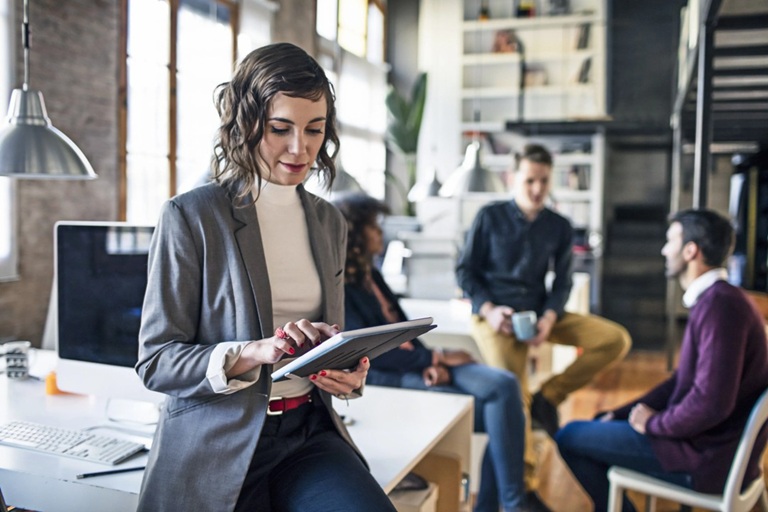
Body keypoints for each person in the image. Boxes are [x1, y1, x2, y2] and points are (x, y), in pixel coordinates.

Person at [134, 43, 396, 512]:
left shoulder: (329, 222)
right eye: (281, 129)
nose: (301, 148)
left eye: (315, 130)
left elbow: (333, 339)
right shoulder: (191, 216)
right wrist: (250, 353)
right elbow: (156, 362)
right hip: (220, 442)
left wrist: (349, 373)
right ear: (247, 124)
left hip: (309, 433)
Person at [333, 193, 551, 512]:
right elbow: (369, 350)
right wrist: (432, 360)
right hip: (392, 375)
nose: (380, 232)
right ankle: (511, 506)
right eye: (374, 226)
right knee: (506, 414)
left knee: (506, 388)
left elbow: (404, 332)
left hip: (421, 363)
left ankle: (504, 505)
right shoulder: (342, 285)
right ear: (354, 233)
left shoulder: (373, 275)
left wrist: (433, 358)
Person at [555, 208, 768, 512]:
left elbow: (711, 404)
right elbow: (682, 382)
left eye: (671, 241)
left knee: (569, 436)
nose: (664, 250)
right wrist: (620, 414)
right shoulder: (720, 300)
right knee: (593, 426)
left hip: (705, 459)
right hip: (707, 448)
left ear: (691, 251)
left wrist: (653, 423)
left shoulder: (721, 308)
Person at [455, 143, 632, 495]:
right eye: (530, 180)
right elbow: (465, 272)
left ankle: (549, 395)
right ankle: (525, 483)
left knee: (615, 340)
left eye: (544, 181)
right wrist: (490, 310)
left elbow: (563, 282)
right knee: (513, 393)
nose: (537, 189)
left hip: (539, 314)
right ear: (513, 177)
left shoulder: (559, 226)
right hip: (496, 318)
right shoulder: (489, 216)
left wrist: (550, 317)